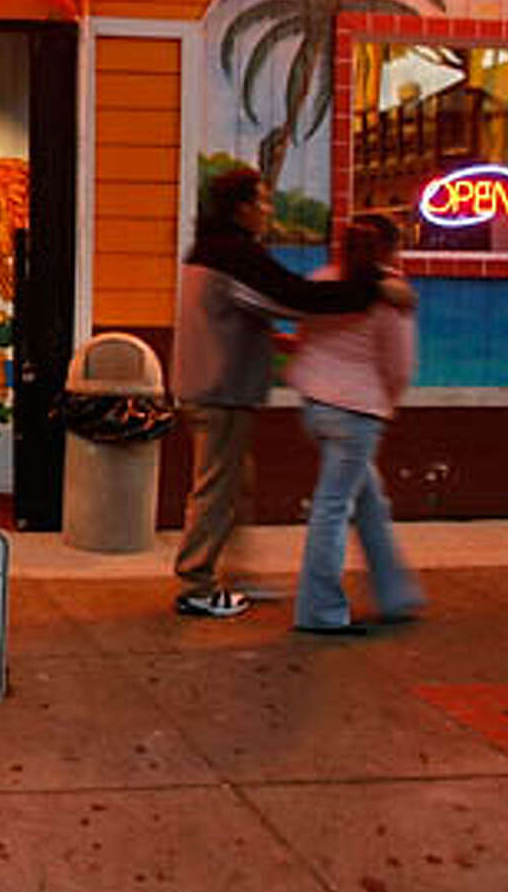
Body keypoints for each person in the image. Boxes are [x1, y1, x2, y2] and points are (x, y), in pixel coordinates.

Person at [169, 165, 414, 618]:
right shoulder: (233, 254)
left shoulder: (210, 250)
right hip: (221, 392)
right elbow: (293, 298)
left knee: (234, 486)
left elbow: (260, 309)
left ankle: (232, 574)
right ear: (241, 208)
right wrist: (373, 288)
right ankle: (197, 584)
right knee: (218, 490)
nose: (268, 210)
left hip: (209, 386)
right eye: (262, 201)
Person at [286, 213, 424, 634]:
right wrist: (386, 401)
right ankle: (320, 612)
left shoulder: (322, 280)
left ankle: (395, 594)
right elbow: (399, 365)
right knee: (333, 508)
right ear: (390, 250)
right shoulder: (391, 297)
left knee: (368, 501)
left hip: (315, 406)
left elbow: (304, 338)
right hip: (358, 412)